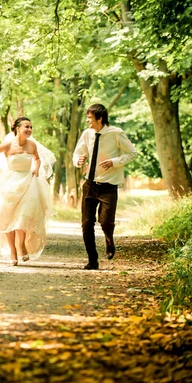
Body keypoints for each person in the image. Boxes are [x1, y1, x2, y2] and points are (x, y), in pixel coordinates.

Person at [0, 117, 54, 265]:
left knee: (23, 216)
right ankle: (12, 251)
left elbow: (37, 158)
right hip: (9, 183)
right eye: (26, 127)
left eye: (31, 127)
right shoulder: (8, 145)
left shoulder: (32, 145)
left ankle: (21, 246)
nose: (29, 129)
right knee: (7, 217)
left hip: (27, 183)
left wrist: (36, 169)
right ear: (17, 128)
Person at [72, 104, 137, 270]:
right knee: (87, 224)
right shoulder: (87, 134)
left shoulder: (116, 133)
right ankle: (92, 260)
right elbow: (77, 153)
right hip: (90, 184)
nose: (87, 121)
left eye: (90, 118)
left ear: (100, 118)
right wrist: (78, 161)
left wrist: (114, 162)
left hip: (109, 185)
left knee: (106, 222)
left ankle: (109, 240)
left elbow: (132, 153)